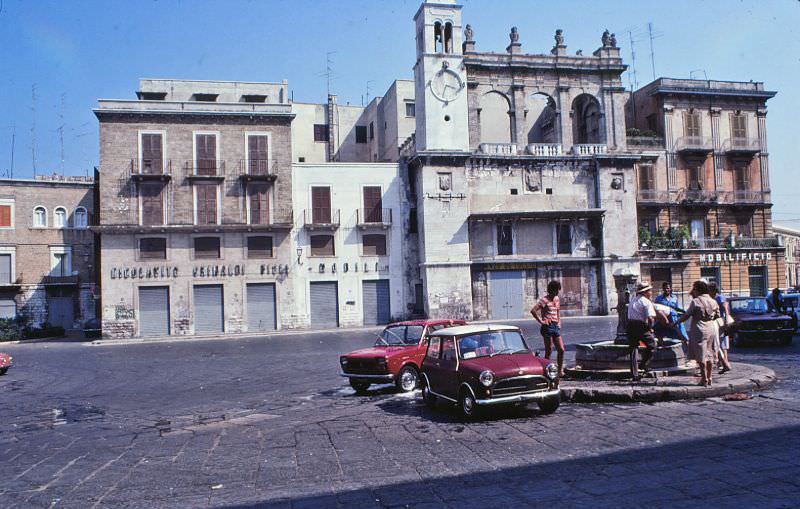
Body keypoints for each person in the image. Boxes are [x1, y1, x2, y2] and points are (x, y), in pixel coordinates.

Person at [675, 280, 720, 386]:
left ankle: (703, 378)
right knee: (710, 353)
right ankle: (710, 377)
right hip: (711, 328)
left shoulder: (696, 301)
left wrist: (677, 322)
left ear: (697, 290)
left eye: (694, 289)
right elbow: (717, 315)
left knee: (700, 354)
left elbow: (687, 315)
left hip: (699, 328)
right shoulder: (713, 300)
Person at [531, 280, 565, 378]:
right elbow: (533, 311)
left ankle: (559, 371)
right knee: (549, 350)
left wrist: (559, 322)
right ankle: (547, 371)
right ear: (551, 290)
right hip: (547, 327)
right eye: (556, 290)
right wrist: (541, 321)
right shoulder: (544, 300)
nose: (557, 293)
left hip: (555, 327)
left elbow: (558, 311)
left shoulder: (557, 299)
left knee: (561, 349)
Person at [626, 281, 657, 381]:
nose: (651, 293)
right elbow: (651, 318)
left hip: (630, 325)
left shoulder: (633, 300)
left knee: (633, 349)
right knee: (652, 345)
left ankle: (634, 374)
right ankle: (643, 364)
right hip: (640, 326)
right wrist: (650, 328)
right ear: (645, 292)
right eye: (649, 291)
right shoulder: (646, 302)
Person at [709, 282, 733, 373]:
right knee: (720, 343)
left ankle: (725, 363)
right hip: (718, 322)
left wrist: (726, 320)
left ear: (713, 290)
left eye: (709, 290)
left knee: (722, 343)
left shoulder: (719, 297)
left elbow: (726, 308)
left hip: (721, 322)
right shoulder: (713, 298)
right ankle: (722, 363)